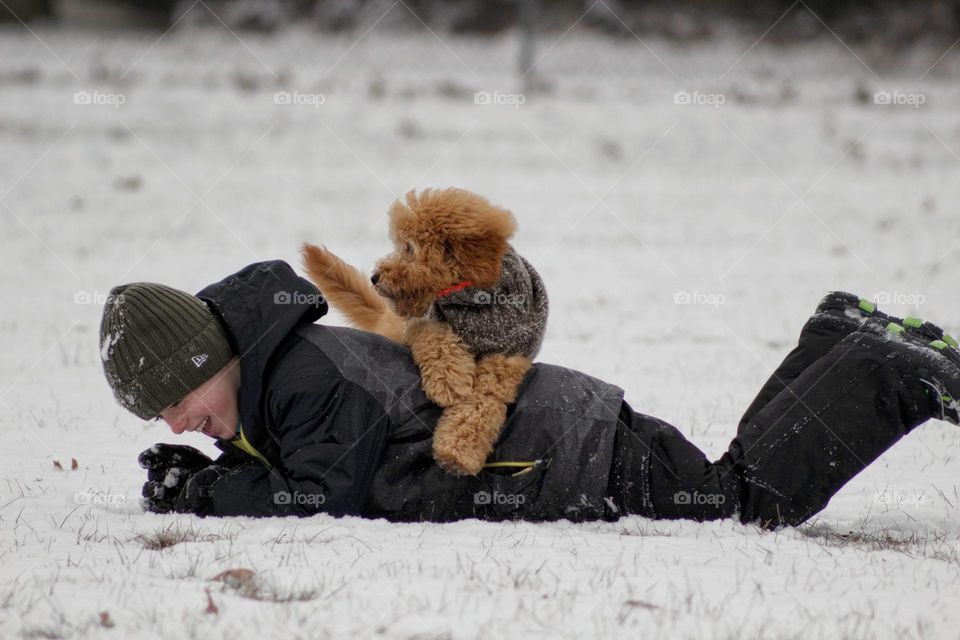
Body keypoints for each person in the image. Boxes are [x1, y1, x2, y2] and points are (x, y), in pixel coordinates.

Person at [99, 260, 960, 527]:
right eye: (161, 415)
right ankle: (842, 337)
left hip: (568, 456)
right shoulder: (274, 375)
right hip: (560, 435)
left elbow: (329, 492)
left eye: (180, 395)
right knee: (737, 480)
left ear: (216, 353)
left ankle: (890, 369)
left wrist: (212, 491)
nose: (180, 420)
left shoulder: (304, 380)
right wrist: (213, 469)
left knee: (748, 501)